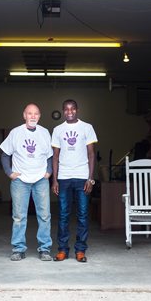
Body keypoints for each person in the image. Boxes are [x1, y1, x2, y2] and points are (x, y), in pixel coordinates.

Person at [0, 103, 53, 261]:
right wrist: (9, 173)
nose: (33, 116)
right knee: (19, 216)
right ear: (24, 115)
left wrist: (49, 172)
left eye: (36, 113)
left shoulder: (44, 133)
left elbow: (50, 156)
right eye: (30, 113)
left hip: (40, 179)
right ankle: (18, 249)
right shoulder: (15, 133)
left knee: (44, 216)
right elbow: (4, 154)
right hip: (20, 180)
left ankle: (44, 249)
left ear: (40, 116)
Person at [51, 99, 98, 262]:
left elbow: (91, 154)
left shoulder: (87, 127)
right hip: (63, 178)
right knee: (63, 215)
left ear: (77, 110)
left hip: (82, 176)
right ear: (63, 111)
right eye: (66, 109)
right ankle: (63, 249)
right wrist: (54, 180)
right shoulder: (58, 130)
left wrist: (90, 179)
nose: (69, 112)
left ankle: (80, 250)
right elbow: (55, 157)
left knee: (83, 215)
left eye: (72, 109)